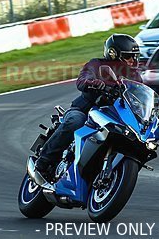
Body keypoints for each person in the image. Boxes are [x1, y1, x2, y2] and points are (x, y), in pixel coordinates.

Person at [34, 33, 143, 182]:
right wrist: (93, 83)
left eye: (135, 56)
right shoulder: (96, 65)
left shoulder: (135, 76)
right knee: (75, 121)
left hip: (113, 117)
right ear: (113, 54)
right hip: (85, 111)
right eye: (129, 56)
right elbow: (82, 80)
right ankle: (42, 164)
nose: (133, 61)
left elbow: (141, 96)